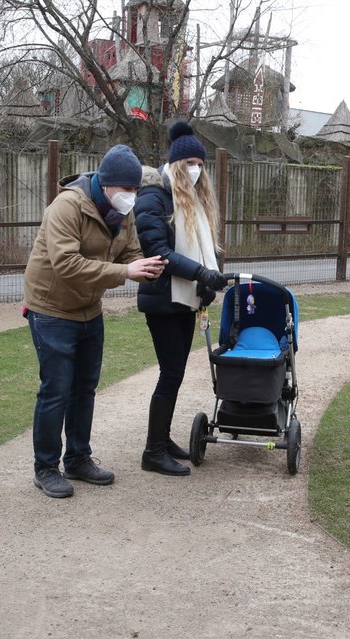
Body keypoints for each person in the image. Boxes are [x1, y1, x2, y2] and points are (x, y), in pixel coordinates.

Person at [23, 144, 166, 498]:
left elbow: (130, 252)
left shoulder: (123, 213)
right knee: (56, 390)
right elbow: (66, 264)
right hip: (51, 309)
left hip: (89, 310)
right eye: (126, 189)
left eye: (135, 190)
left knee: (84, 389)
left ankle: (77, 458)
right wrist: (124, 272)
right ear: (105, 184)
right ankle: (45, 467)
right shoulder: (67, 206)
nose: (131, 196)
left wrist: (146, 268)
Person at [134, 121, 228, 476]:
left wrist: (206, 279)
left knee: (175, 372)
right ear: (175, 163)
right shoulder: (154, 195)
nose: (196, 168)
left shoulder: (195, 199)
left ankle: (162, 439)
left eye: (200, 163)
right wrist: (200, 273)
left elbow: (204, 249)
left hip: (185, 297)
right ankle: (153, 451)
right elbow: (156, 250)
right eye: (189, 162)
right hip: (162, 298)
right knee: (170, 372)